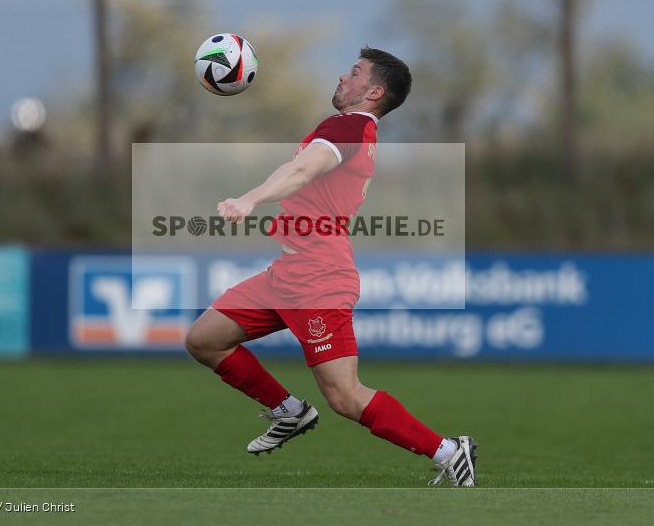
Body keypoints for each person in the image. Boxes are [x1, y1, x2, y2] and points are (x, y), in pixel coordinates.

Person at [185, 47, 477, 487]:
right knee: (204, 340)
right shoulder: (353, 128)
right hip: (287, 273)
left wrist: (249, 199)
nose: (343, 76)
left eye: (355, 72)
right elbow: (301, 169)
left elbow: (303, 169)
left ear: (373, 91)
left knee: (344, 395)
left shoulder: (350, 126)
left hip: (318, 280)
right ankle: (290, 412)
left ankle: (450, 452)